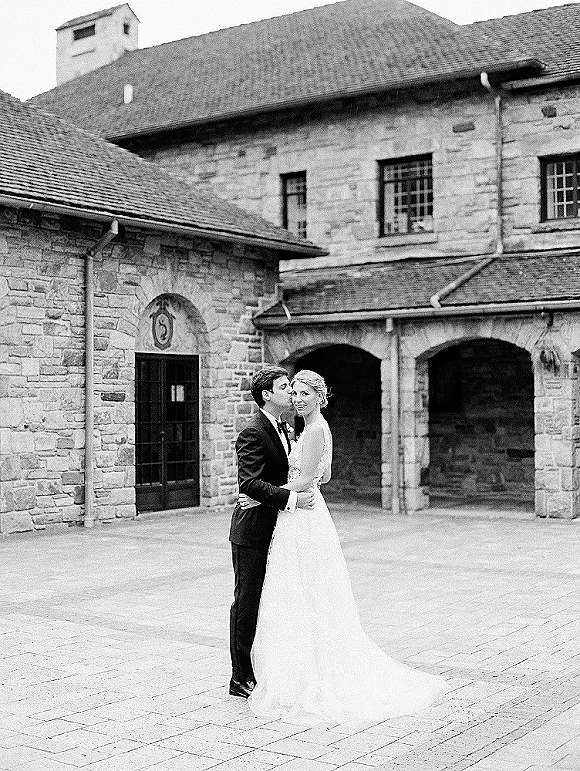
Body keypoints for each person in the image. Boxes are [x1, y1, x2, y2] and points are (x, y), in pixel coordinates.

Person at [239, 369, 448, 727]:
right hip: (306, 510)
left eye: (304, 393)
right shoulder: (313, 427)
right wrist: (295, 487)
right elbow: (326, 476)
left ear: (319, 397)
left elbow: (308, 478)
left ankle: (305, 673)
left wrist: (265, 496)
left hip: (301, 513)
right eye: (294, 392)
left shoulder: (313, 430)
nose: (297, 399)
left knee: (299, 588)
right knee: (302, 588)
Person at [229, 366, 315, 699]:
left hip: (279, 528)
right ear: (267, 395)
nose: (291, 393)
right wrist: (292, 499)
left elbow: (276, 478)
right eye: (284, 387)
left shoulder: (286, 427)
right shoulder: (253, 431)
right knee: (246, 603)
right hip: (252, 531)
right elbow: (249, 483)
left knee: (275, 600)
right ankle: (240, 678)